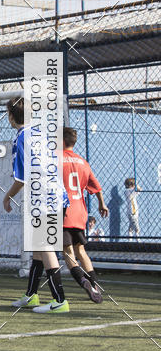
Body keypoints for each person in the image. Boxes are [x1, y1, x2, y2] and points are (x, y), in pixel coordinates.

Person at [2, 97, 70, 314]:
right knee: (39, 250)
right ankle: (31, 295)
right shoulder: (41, 134)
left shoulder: (21, 138)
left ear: (11, 117)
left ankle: (60, 300)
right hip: (57, 195)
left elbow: (21, 178)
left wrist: (7, 196)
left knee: (45, 246)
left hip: (43, 199)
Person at [62, 126, 109, 303]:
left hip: (64, 212)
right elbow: (97, 187)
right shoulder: (83, 162)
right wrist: (101, 203)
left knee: (67, 252)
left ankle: (84, 282)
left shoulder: (56, 159)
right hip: (79, 212)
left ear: (61, 140)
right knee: (81, 250)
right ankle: (95, 285)